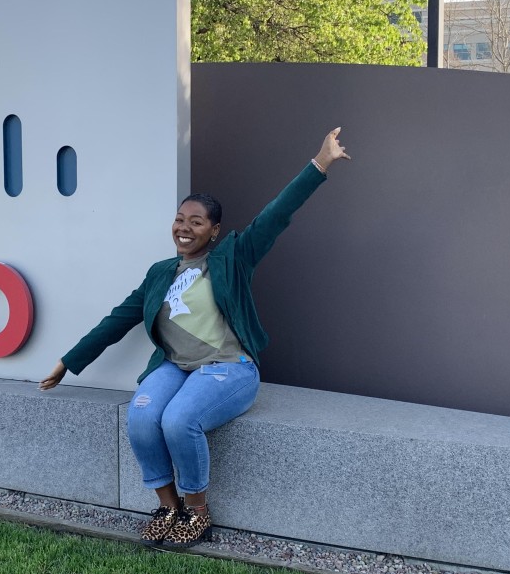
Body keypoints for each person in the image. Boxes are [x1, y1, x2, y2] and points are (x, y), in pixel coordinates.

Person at [39, 127, 351, 548]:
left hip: (229, 368)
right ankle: (169, 507)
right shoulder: (159, 273)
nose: (184, 228)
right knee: (142, 417)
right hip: (176, 367)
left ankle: (198, 513)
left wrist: (320, 163)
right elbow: (117, 320)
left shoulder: (233, 257)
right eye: (179, 220)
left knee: (180, 420)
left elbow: (276, 214)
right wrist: (68, 362)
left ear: (214, 230)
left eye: (196, 221)